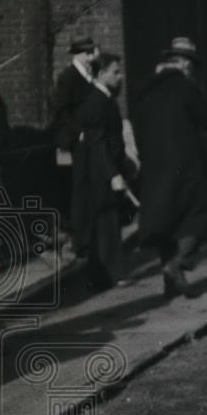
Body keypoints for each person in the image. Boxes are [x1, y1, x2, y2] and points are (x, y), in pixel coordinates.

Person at [133, 37, 207, 298]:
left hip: (154, 168)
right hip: (187, 167)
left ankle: (170, 281)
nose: (192, 69)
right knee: (199, 217)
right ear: (184, 64)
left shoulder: (145, 90)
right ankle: (178, 264)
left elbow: (137, 129)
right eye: (192, 64)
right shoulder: (187, 88)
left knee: (165, 222)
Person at [73, 52, 132, 289]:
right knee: (107, 223)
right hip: (100, 174)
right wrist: (113, 175)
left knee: (105, 224)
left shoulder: (104, 99)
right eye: (115, 72)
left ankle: (101, 275)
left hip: (104, 170)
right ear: (101, 73)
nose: (120, 77)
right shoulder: (97, 103)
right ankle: (113, 273)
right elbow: (97, 143)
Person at [49, 35, 100, 243]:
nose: (91, 57)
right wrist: (77, 132)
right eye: (88, 53)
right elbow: (61, 109)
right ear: (78, 55)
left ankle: (86, 229)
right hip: (75, 139)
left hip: (88, 137)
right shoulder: (69, 76)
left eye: (91, 53)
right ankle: (78, 233)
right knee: (78, 186)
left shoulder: (89, 75)